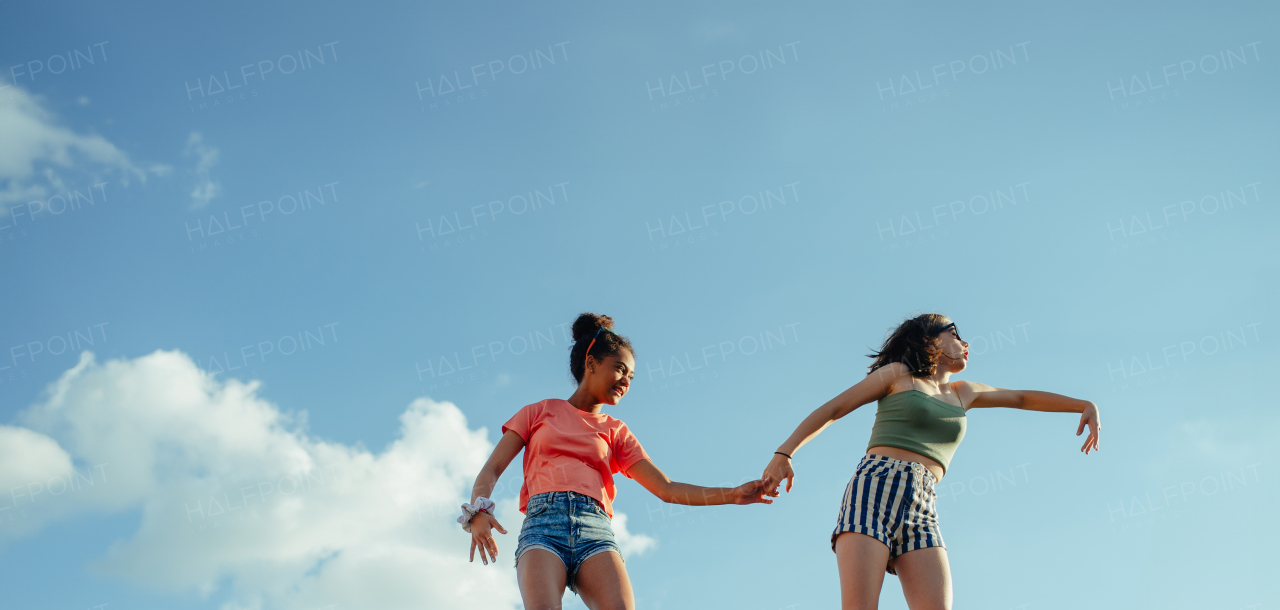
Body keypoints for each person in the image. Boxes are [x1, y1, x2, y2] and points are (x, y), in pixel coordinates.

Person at [760, 313, 1101, 610]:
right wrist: (784, 453)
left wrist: (1083, 404)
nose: (965, 341)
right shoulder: (897, 374)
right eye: (954, 333)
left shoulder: (963, 393)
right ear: (929, 339)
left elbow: (1023, 398)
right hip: (875, 487)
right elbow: (834, 409)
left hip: (923, 503)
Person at [462, 312, 772, 610]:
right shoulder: (538, 412)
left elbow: (666, 488)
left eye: (632, 376)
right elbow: (492, 468)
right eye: (620, 368)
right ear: (591, 362)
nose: (626, 380)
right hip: (543, 525)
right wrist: (478, 510)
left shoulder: (616, 431)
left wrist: (733, 494)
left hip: (595, 529)